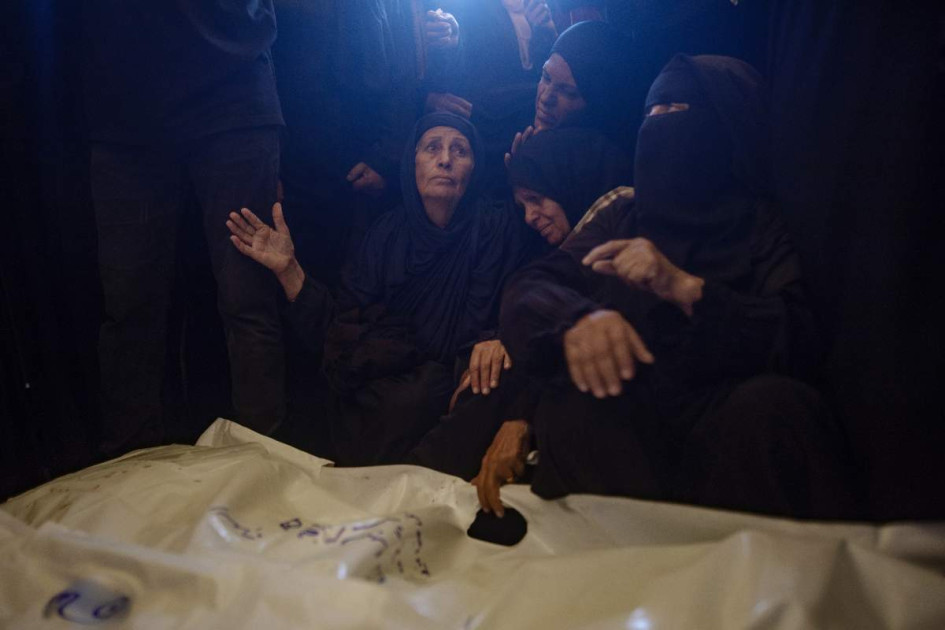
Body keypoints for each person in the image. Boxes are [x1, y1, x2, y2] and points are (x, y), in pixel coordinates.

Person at [495, 55, 854, 519]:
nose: (658, 126)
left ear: (726, 127)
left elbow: (799, 336)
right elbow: (533, 285)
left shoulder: (760, 224)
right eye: (651, 113)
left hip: (721, 422)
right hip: (633, 428)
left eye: (676, 111)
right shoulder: (623, 214)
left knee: (777, 411)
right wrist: (577, 320)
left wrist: (686, 289)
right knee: (573, 411)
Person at [227, 113, 528, 465]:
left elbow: (526, 298)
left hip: (461, 383)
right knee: (384, 399)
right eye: (433, 148)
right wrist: (290, 269)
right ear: (411, 164)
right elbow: (341, 329)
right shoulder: (384, 235)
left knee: (478, 387)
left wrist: (498, 336)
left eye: (460, 150)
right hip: (392, 387)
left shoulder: (497, 228)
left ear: (475, 168)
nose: (445, 159)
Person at [84, 1, 285, 456]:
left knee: (247, 296)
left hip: (234, 97)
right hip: (126, 109)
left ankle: (266, 461)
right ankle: (127, 464)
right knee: (129, 305)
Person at [406, 126, 632, 506]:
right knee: (486, 369)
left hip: (607, 400)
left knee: (497, 377)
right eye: (522, 206)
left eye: (536, 199)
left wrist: (520, 418)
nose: (530, 216)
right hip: (554, 392)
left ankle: (412, 498)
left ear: (566, 182)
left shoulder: (621, 221)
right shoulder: (552, 252)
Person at [426, 0, 558, 192]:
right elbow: (458, 63)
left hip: (530, 122)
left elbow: (547, 72)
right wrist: (453, 40)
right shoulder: (472, 8)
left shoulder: (539, 6)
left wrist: (547, 30)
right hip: (488, 124)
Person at [504, 20, 640, 167]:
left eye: (568, 92)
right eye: (546, 77)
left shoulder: (616, 169)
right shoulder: (511, 131)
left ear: (599, 105)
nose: (545, 98)